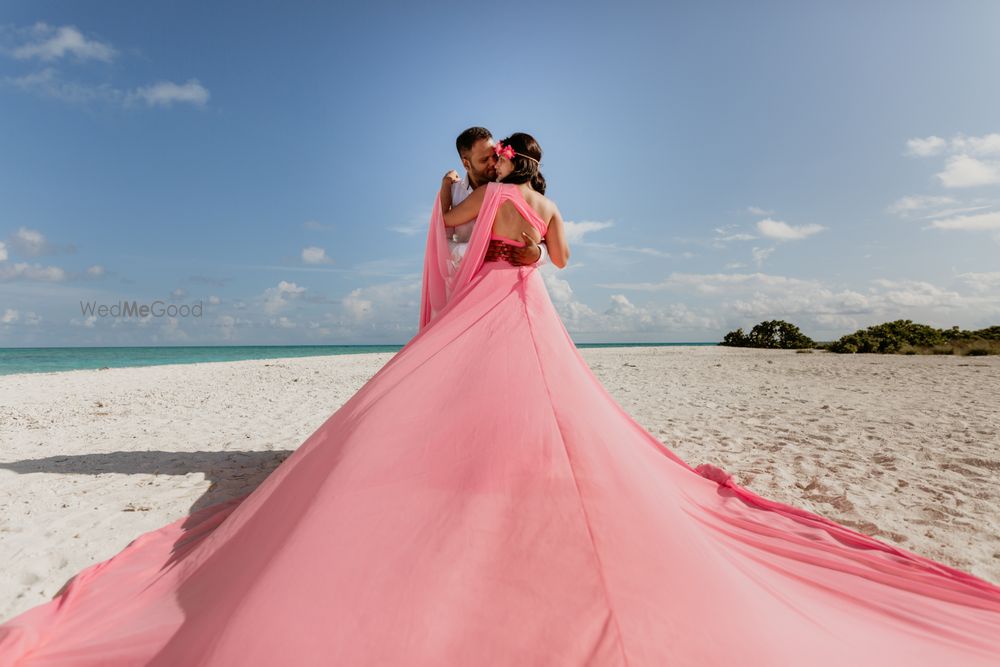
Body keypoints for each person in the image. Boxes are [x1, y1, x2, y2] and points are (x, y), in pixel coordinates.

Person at [3, 132, 1000, 666]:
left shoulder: (482, 196)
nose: (502, 170)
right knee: (547, 414)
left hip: (488, 300)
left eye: (502, 160)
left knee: (465, 404)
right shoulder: (545, 204)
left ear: (504, 162)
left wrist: (463, 194)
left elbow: (452, 233)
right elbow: (560, 261)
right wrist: (535, 224)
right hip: (527, 302)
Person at [438, 127, 545, 278]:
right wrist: (474, 250)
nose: (494, 164)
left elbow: (544, 234)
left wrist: (539, 253)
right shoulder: (452, 194)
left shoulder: (515, 189)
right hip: (468, 284)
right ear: (466, 164)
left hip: (514, 283)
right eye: (484, 160)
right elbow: (440, 240)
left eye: (495, 156)